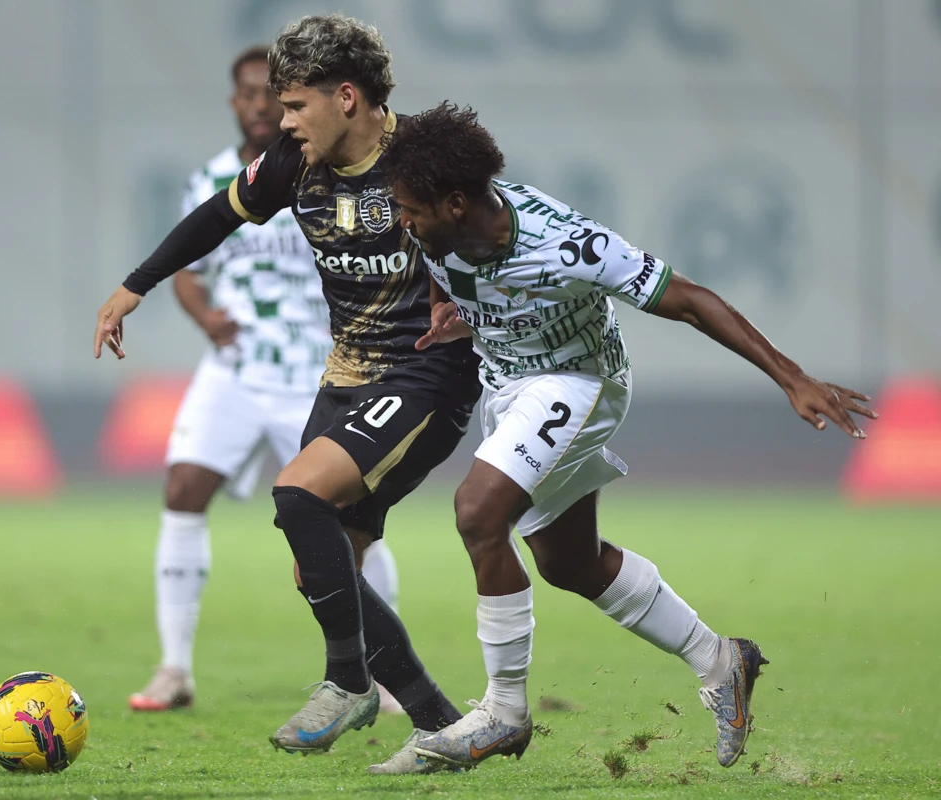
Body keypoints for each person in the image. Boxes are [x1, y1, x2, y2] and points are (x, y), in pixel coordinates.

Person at [380, 102, 876, 769]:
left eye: (411, 209)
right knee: (567, 563)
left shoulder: (568, 244)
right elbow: (453, 273)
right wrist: (451, 311)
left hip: (578, 384)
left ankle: (503, 713)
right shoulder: (439, 233)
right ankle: (720, 659)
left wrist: (792, 378)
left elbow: (693, 300)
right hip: (509, 388)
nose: (403, 222)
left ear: (458, 203)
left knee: (477, 511)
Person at [95, 17, 483, 775]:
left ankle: (348, 683)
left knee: (297, 496)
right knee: (322, 562)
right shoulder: (291, 165)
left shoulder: (422, 162)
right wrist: (134, 284)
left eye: (296, 105)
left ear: (346, 97)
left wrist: (470, 302)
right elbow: (214, 217)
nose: (283, 120)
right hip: (346, 375)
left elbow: (502, 234)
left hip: (425, 374)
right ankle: (440, 722)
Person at [127, 45, 403, 717]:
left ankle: (387, 673)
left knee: (347, 524)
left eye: (272, 95)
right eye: (251, 94)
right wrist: (205, 318)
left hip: (317, 368)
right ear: (236, 102)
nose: (261, 106)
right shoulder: (216, 178)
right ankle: (175, 669)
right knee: (183, 487)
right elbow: (191, 266)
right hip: (240, 367)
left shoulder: (323, 168)